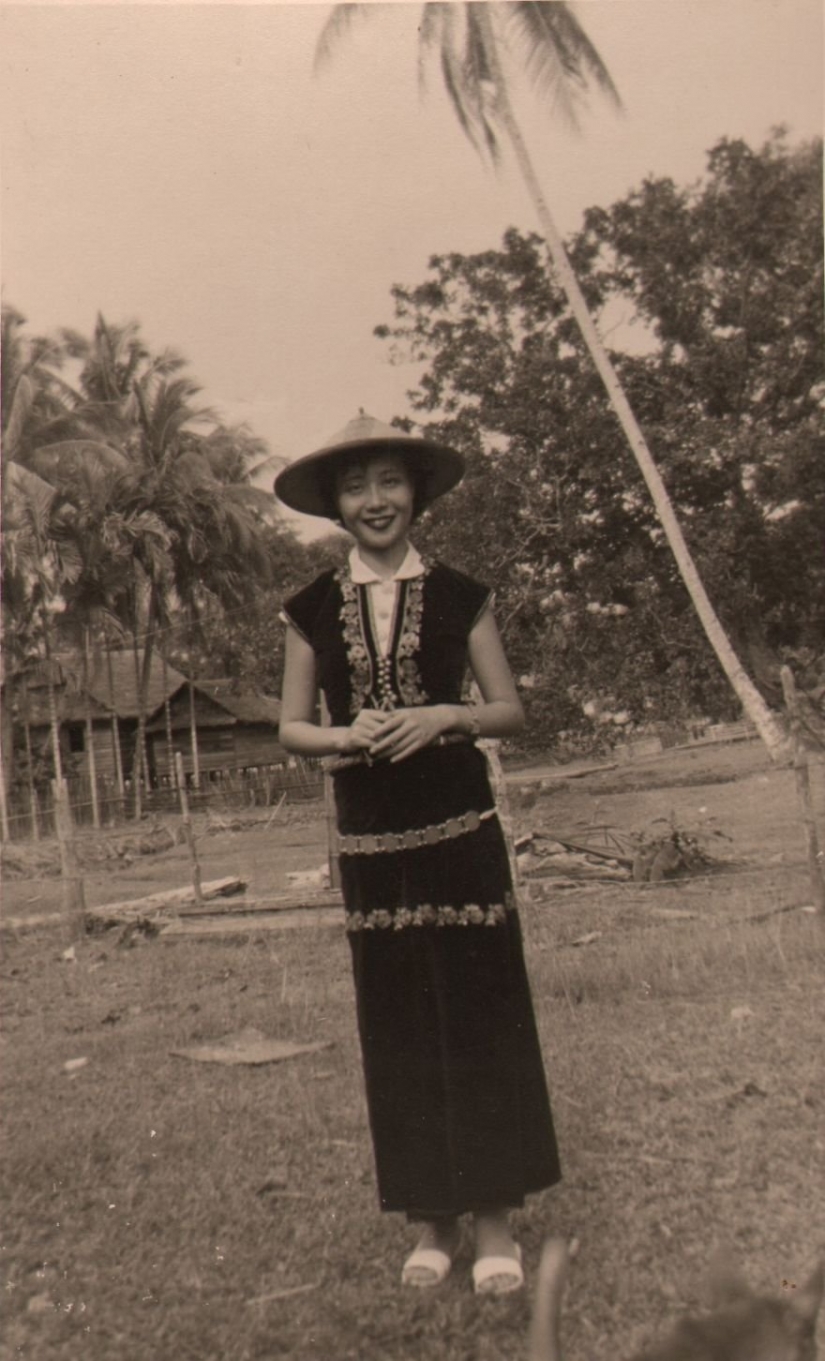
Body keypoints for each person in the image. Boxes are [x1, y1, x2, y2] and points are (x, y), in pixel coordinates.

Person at [276, 412, 561, 1296]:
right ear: (333, 505)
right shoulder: (311, 610)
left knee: (477, 1015)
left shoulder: (462, 595)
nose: (375, 501)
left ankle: (495, 1223)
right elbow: (290, 728)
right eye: (356, 487)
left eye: (390, 481)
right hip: (371, 843)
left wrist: (446, 716)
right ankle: (431, 1223)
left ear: (417, 493)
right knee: (398, 1023)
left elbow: (510, 710)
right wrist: (339, 735)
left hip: (459, 833)